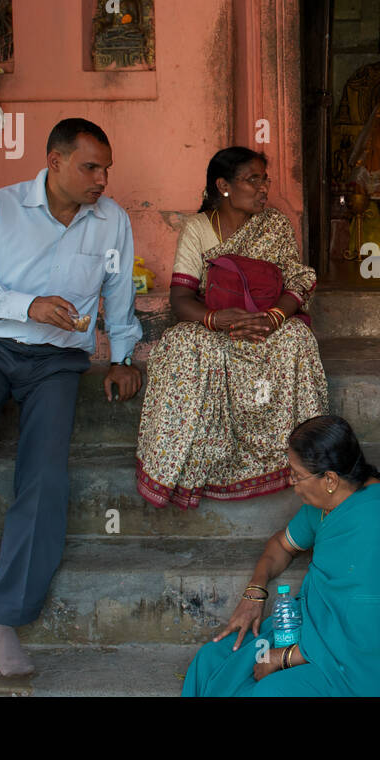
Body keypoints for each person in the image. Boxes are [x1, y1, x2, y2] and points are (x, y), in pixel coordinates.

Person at [0, 118, 143, 677]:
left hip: (56, 363)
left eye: (106, 168)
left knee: (43, 477)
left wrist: (120, 356)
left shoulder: (110, 220)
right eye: (91, 167)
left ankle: (3, 617)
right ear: (55, 161)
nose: (102, 179)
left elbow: (118, 294)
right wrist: (28, 305)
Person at [183, 415, 380, 697]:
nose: (291, 483)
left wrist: (283, 658)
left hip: (369, 661)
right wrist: (254, 592)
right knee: (212, 659)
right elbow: (281, 545)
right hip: (319, 632)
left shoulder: (377, 524)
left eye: (297, 476)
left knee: (269, 692)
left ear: (329, 479)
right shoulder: (327, 503)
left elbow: (370, 627)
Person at [136, 147, 327, 508]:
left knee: (298, 339)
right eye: (252, 180)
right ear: (224, 185)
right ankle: (186, 462)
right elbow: (181, 298)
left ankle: (300, 459)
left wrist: (272, 319)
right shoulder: (198, 228)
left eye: (264, 179)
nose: (262, 188)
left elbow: (297, 283)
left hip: (268, 322)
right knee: (182, 345)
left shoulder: (275, 225)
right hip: (215, 325)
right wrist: (216, 319)